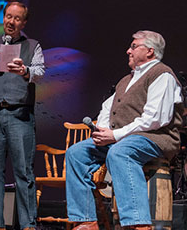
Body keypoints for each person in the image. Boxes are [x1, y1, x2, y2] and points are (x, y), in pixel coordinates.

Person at [65, 30, 184, 230]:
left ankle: (138, 223)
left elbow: (156, 118)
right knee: (76, 153)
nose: (128, 50)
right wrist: (103, 130)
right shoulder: (126, 80)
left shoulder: (162, 75)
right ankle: (86, 220)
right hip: (123, 137)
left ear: (150, 51)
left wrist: (115, 135)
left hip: (155, 137)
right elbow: (108, 108)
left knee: (120, 153)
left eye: (134, 46)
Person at [0, 1, 45, 230]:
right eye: (8, 16)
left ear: (23, 23)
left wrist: (25, 71)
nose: (11, 22)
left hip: (19, 114)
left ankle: (28, 224)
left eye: (17, 18)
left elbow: (40, 72)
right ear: (3, 18)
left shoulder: (32, 45)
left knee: (24, 172)